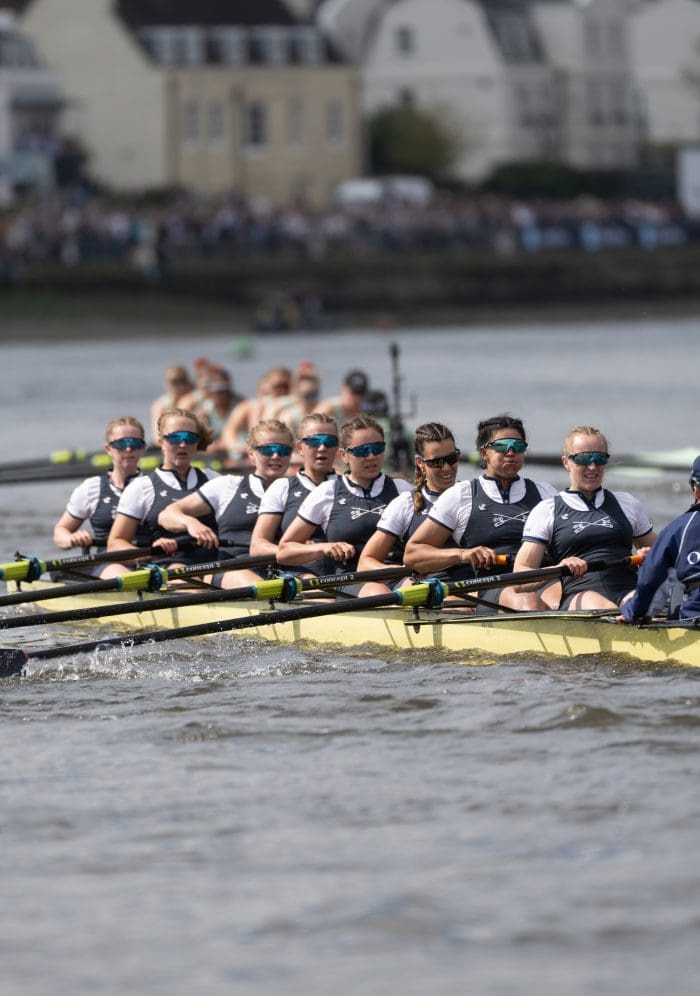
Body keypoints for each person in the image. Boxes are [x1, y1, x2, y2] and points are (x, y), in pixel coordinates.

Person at [404, 414, 558, 610]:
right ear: (484, 453)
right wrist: (463, 555)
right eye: (502, 446)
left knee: (569, 601)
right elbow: (413, 554)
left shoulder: (546, 493)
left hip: (542, 578)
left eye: (518, 446)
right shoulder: (461, 495)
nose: (511, 452)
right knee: (528, 602)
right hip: (493, 585)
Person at [510, 425, 656, 610]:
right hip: (580, 597)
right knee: (602, 606)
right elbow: (519, 581)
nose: (592, 466)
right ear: (566, 462)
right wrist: (558, 568)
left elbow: (665, 556)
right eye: (583, 459)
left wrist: (651, 558)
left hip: (627, 592)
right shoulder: (547, 511)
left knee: (647, 605)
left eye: (599, 458)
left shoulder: (627, 503)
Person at [157, 419, 294, 587]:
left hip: (284, 574)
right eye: (268, 449)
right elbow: (167, 514)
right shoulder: (228, 485)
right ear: (251, 454)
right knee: (264, 587)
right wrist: (190, 523)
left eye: (283, 450)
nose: (276, 455)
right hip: (231, 570)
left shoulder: (302, 493)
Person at [277, 414, 412, 576]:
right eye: (362, 451)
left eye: (377, 449)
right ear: (343, 455)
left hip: (397, 574)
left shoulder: (402, 489)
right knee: (377, 590)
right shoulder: (328, 492)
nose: (371, 456)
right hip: (352, 579)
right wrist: (324, 547)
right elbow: (284, 552)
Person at [106, 408, 218, 575]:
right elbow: (115, 544)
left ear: (197, 443)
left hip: (215, 567)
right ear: (161, 442)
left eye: (190, 438)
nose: (183, 444)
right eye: (175, 438)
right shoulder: (141, 487)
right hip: (167, 569)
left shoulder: (214, 480)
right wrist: (149, 554)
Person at [357, 422, 459, 595]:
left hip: (466, 585)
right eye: (437, 462)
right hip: (425, 589)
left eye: (452, 458)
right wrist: (402, 572)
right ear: (420, 462)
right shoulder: (405, 504)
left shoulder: (470, 495)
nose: (447, 468)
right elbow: (365, 563)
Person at [52, 416, 149, 575]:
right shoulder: (91, 488)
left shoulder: (154, 486)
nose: (128, 449)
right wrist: (71, 539)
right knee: (124, 575)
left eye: (135, 444)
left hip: (149, 563)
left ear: (143, 448)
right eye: (121, 444)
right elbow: (60, 531)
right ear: (108, 448)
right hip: (109, 564)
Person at [249, 413, 338, 566]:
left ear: (337, 448)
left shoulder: (349, 486)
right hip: (298, 574)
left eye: (329, 442)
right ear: (300, 448)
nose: (322, 448)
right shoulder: (283, 487)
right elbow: (257, 547)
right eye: (314, 441)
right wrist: (306, 550)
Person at [621, 456, 700, 622]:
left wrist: (631, 611)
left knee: (673, 577)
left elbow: (650, 581)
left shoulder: (678, 530)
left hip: (694, 619)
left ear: (695, 489)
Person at [221, 366, 292, 462]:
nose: (280, 390)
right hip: (251, 452)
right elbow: (230, 429)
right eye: (276, 387)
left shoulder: (291, 405)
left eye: (284, 386)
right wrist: (236, 447)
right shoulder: (250, 406)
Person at [195, 364, 243, 455]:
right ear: (210, 390)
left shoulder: (239, 406)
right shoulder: (205, 408)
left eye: (224, 389)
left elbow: (233, 432)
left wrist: (221, 444)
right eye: (216, 389)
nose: (220, 394)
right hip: (214, 450)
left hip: (235, 448)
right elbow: (200, 435)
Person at [149, 365, 194, 442]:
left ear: (187, 383)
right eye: (174, 382)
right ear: (167, 384)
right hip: (168, 441)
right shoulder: (160, 405)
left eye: (181, 381)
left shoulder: (193, 399)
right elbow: (157, 437)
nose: (178, 386)